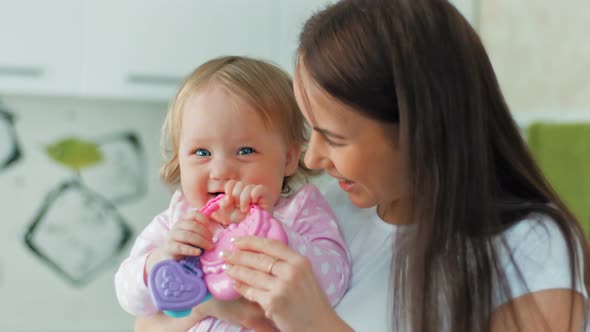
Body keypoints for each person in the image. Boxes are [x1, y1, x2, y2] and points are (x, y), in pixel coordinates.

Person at [136, 0, 590, 331]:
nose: (311, 159)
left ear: (419, 129)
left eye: (333, 137)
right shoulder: (326, 212)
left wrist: (313, 323)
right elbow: (147, 323)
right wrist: (213, 306)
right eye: (311, 132)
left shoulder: (530, 247)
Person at [115, 55, 351, 331]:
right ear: (179, 158)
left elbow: (333, 285)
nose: (221, 170)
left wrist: (268, 229)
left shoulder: (300, 211)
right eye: (202, 152)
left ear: (288, 158)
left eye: (245, 151)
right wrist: (160, 260)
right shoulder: (176, 220)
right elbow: (130, 298)